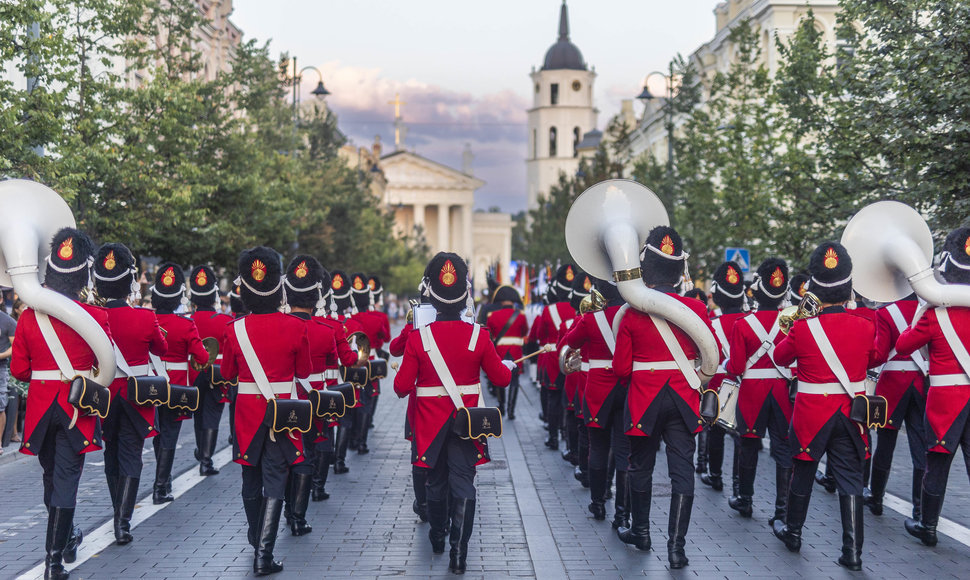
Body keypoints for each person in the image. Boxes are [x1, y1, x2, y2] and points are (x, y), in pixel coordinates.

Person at [393, 252, 513, 574]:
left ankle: (437, 535)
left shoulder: (418, 338)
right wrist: (509, 367)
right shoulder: (480, 336)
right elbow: (501, 378)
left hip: (430, 426)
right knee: (464, 482)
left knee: (435, 482)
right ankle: (459, 555)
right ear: (466, 292)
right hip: (466, 424)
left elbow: (401, 387)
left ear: (430, 291)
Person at [612, 226, 717, 568]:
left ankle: (641, 533)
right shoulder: (697, 311)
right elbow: (712, 356)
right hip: (684, 398)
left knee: (640, 466)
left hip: (645, 399)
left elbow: (622, 370)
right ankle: (676, 549)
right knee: (682, 471)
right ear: (678, 270)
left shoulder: (629, 313)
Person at [771, 242, 879, 571]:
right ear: (848, 290)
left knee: (803, 469)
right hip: (850, 412)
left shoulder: (802, 328)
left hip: (811, 414)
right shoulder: (865, 326)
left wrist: (799, 318)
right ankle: (853, 553)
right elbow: (874, 358)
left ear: (815, 289)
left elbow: (779, 357)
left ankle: (792, 533)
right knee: (849, 478)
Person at [11, 228, 111, 580]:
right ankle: (55, 560)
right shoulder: (96, 317)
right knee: (66, 479)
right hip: (75, 407)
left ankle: (64, 540)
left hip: (40, 409)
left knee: (52, 477)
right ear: (83, 273)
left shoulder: (27, 317)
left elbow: (19, 369)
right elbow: (105, 365)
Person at [221, 246, 312, 576]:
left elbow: (228, 375)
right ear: (279, 286)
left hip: (247, 414)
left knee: (250, 475)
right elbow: (303, 371)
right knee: (276, 477)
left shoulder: (234, 329)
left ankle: (255, 536)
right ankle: (264, 553)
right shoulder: (295, 327)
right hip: (282, 414)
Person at [896, 227, 970, 547]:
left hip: (946, 400)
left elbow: (903, 345)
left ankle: (928, 527)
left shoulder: (934, 315)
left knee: (937, 463)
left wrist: (922, 307)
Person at [94, 243, 167, 544]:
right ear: (130, 283)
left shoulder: (93, 316)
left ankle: (117, 509)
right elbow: (161, 349)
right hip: (138, 396)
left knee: (111, 453)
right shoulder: (146, 317)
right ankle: (122, 521)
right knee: (131, 456)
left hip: (106, 395)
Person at [282, 255, 354, 535]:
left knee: (287, 456)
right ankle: (298, 517)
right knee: (309, 453)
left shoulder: (281, 325)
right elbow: (339, 361)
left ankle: (287, 510)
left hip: (286, 400)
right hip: (316, 402)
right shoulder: (327, 331)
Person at [724, 258, 793, 525]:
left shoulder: (742, 324)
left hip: (753, 390)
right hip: (780, 389)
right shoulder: (790, 323)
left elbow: (737, 366)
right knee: (782, 448)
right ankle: (782, 509)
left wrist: (728, 364)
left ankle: (746, 499)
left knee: (748, 445)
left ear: (757, 289)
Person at [565, 278, 629, 527]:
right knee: (624, 450)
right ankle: (623, 514)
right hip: (625, 387)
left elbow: (570, 343)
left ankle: (598, 503)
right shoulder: (632, 316)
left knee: (598, 447)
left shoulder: (590, 318)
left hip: (598, 390)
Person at [149, 263, 209, 504]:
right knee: (169, 435)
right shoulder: (186, 325)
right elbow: (202, 358)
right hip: (175, 387)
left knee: (157, 432)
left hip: (151, 385)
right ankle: (161, 486)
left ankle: (163, 479)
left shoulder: (148, 319)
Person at [866, 291, 927, 520]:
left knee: (885, 445)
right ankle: (920, 509)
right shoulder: (928, 310)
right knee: (921, 447)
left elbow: (880, 355)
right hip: (921, 382)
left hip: (892, 385)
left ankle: (877, 498)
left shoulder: (884, 313)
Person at [698, 262, 747, 495]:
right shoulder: (751, 321)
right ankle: (739, 486)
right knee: (740, 437)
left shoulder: (711, 324)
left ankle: (715, 476)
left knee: (715, 432)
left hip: (719, 385)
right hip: (745, 384)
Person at [188, 265, 233, 477]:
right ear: (214, 294)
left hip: (194, 372)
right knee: (212, 415)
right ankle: (206, 460)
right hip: (217, 373)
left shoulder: (188, 321)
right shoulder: (225, 321)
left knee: (198, 414)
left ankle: (201, 451)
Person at [533, 264, 577, 451]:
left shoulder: (548, 310)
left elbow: (540, 335)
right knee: (571, 399)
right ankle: (567, 435)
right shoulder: (580, 309)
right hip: (574, 358)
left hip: (552, 357)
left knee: (553, 397)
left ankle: (552, 436)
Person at [328, 270, 366, 474]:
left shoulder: (323, 323)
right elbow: (361, 357)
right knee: (345, 419)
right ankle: (340, 460)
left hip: (326, 381)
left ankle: (328, 459)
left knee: (326, 420)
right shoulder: (355, 324)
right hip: (348, 380)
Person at [350, 272, 390, 456]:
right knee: (368, 399)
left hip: (351, 362)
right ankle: (362, 442)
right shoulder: (377, 318)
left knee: (353, 399)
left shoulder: (348, 321)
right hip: (371, 361)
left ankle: (351, 437)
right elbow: (386, 337)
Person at [484, 285, 529, 419]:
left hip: (500, 351)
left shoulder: (493, 315)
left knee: (499, 379)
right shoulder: (520, 316)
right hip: (515, 351)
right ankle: (511, 410)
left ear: (501, 300)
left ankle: (501, 406)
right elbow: (524, 331)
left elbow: (490, 334)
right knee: (515, 380)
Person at [0, 302, 16, 453]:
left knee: (0, 405)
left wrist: (2, 355)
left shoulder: (7, 321)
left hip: (0, 367)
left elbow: (15, 345)